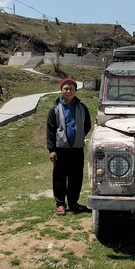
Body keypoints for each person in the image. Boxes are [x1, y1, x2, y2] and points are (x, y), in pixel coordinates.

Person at [47, 78, 92, 215]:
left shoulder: (82, 108)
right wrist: (51, 150)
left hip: (77, 149)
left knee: (76, 177)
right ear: (61, 90)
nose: (68, 91)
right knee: (59, 177)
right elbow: (50, 130)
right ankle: (60, 204)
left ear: (75, 91)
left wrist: (78, 137)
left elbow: (87, 125)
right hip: (60, 149)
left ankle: (73, 203)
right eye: (66, 88)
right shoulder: (55, 109)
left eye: (71, 89)